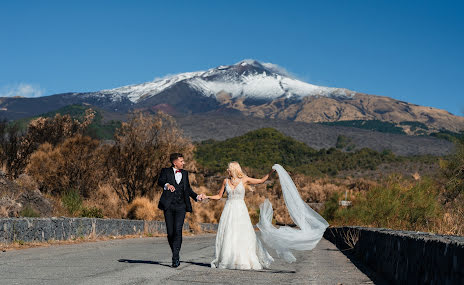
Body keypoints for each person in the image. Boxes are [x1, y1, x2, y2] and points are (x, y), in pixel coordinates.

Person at [206, 161, 275, 269]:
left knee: (242, 234)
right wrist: (207, 197)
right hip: (228, 209)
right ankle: (228, 259)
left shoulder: (245, 180)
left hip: (240, 210)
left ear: (233, 169)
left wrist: (271, 172)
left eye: (228, 169)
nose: (227, 171)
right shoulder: (226, 181)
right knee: (229, 234)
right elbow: (219, 196)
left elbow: (261, 181)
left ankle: (243, 259)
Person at [157, 153, 205, 268]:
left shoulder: (184, 173)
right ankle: (175, 252)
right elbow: (160, 181)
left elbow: (187, 189)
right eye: (181, 161)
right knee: (170, 232)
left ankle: (175, 256)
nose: (183, 163)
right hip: (168, 205)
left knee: (178, 230)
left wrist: (197, 197)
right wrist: (167, 185)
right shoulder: (165, 171)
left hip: (181, 206)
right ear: (175, 162)